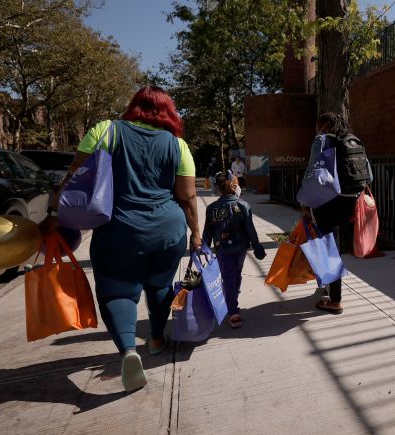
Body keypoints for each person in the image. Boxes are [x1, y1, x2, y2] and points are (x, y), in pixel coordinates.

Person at [45, 85, 200, 392]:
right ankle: (156, 340)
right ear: (169, 112)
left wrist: (53, 213)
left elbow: (74, 177)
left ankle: (129, 350)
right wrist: (196, 233)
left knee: (117, 291)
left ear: (134, 107)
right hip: (168, 231)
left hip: (119, 230)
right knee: (159, 286)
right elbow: (188, 196)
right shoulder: (178, 145)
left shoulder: (106, 131)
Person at [301, 112, 364, 314]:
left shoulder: (322, 140)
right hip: (349, 200)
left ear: (325, 125)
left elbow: (312, 171)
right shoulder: (353, 139)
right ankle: (329, 287)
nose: (316, 129)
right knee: (333, 244)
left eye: (317, 125)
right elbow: (368, 175)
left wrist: (305, 200)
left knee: (329, 248)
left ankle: (335, 300)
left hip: (327, 200)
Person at [202, 171, 266, 328]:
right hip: (240, 248)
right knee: (233, 275)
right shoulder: (243, 205)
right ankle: (233, 310)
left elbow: (207, 231)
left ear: (218, 189)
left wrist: (205, 247)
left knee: (231, 276)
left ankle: (232, 298)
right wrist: (257, 247)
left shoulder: (212, 208)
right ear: (233, 187)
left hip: (222, 249)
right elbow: (251, 230)